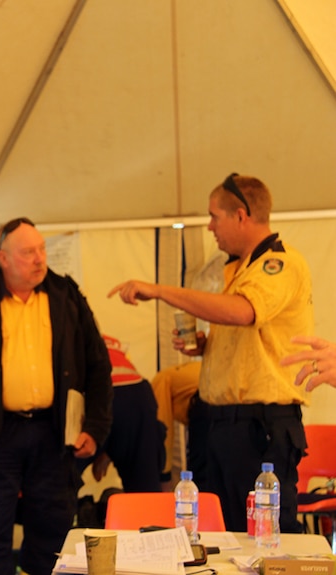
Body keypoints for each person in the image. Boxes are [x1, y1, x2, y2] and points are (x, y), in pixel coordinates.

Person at [108, 172, 313, 533]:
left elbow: (242, 311)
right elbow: (251, 334)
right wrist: (210, 348)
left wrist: (159, 290)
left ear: (241, 215)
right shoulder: (241, 268)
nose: (209, 226)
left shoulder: (278, 263)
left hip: (257, 429)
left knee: (261, 540)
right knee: (219, 538)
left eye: (214, 216)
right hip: (221, 425)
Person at [0, 217, 113, 575]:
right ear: (3, 258)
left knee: (52, 537)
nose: (40, 259)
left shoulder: (65, 294)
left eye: (42, 249)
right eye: (28, 252)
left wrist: (96, 428)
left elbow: (99, 365)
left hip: (53, 433)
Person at [91, 335, 165, 493]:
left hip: (95, 394)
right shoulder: (107, 339)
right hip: (137, 394)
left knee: (56, 484)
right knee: (145, 492)